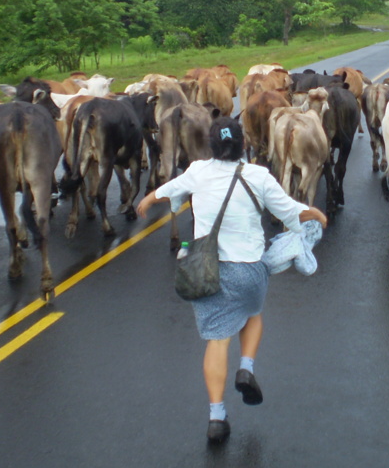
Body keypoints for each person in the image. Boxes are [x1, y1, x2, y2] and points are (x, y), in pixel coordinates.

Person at [137, 115, 328, 444]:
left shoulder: (198, 171)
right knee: (252, 314)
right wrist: (316, 214)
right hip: (249, 271)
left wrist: (147, 200)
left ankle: (216, 417)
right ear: (243, 145)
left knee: (217, 340)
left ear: (212, 146)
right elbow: (291, 211)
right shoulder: (258, 175)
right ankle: (247, 367)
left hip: (206, 269)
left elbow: (164, 192)